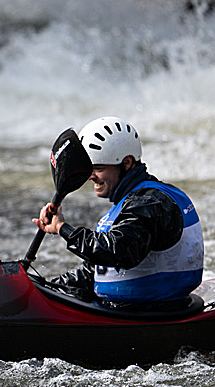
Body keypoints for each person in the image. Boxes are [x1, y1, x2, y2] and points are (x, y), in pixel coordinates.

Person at [32, 116, 203, 305]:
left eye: (98, 168)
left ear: (127, 162)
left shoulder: (150, 202)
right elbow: (95, 271)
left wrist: (63, 229)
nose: (91, 177)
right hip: (122, 311)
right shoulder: (129, 203)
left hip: (155, 314)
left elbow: (120, 251)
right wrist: (44, 290)